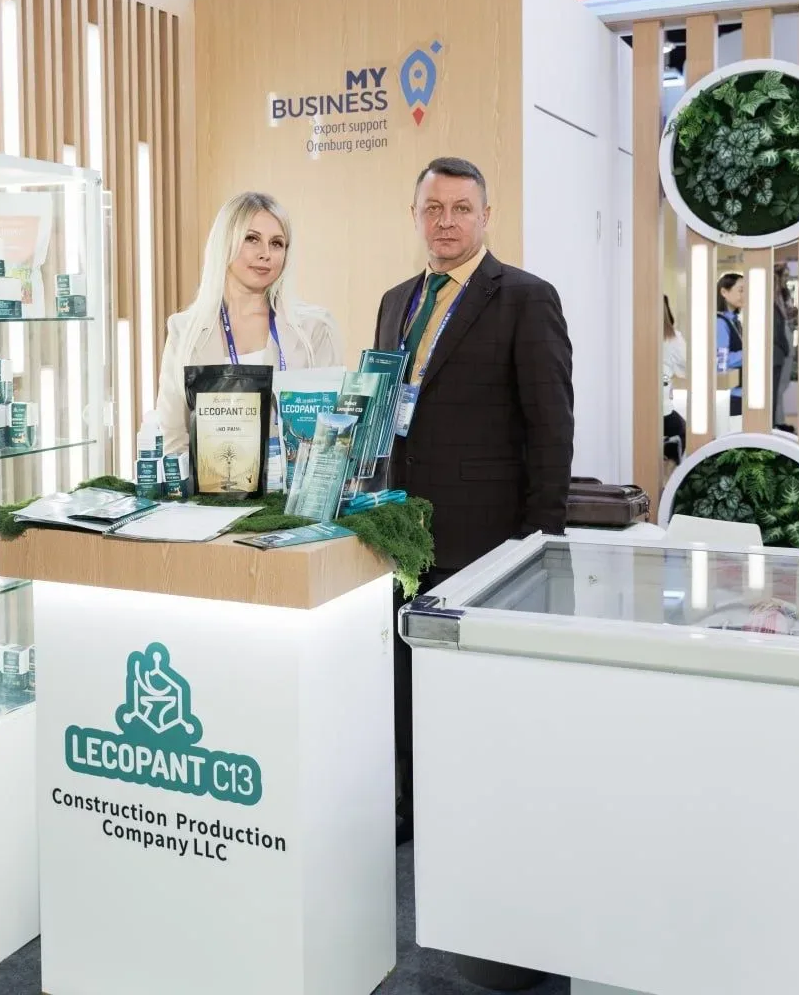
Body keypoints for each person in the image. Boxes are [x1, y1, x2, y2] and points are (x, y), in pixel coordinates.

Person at [375, 156, 574, 844]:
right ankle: (409, 805)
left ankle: (473, 822)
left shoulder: (525, 297)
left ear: (486, 216)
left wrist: (540, 546)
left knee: (471, 694)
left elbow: (551, 430)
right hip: (399, 534)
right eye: (433, 208)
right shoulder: (395, 301)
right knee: (403, 681)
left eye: (461, 208)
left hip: (485, 541)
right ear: (414, 216)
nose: (446, 221)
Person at [157, 191, 342, 454]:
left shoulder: (314, 329)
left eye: (277, 243)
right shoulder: (184, 330)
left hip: (292, 478)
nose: (266, 254)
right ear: (225, 243)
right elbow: (173, 436)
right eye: (252, 239)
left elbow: (330, 436)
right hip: (213, 479)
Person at [716, 272, 744, 419]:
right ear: (724, 292)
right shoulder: (720, 323)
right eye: (741, 290)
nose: (745, 295)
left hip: (740, 392)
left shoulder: (735, 321)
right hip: (731, 395)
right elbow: (721, 362)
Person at [662, 295, 687, 463]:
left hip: (633, 410)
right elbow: (685, 369)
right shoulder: (672, 338)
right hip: (663, 412)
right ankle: (670, 470)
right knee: (682, 430)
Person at [773, 262, 795, 430]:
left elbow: (787, 318)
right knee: (778, 386)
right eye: (785, 276)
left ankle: (778, 420)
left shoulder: (784, 295)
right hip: (780, 344)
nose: (787, 279)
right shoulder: (772, 296)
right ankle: (777, 421)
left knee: (783, 384)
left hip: (787, 338)